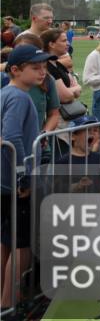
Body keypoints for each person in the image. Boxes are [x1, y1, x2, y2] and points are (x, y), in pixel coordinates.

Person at [2, 45, 53, 307]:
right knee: (22, 244)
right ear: (15, 70)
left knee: (5, 241)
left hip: (5, 180)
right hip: (15, 182)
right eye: (35, 67)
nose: (42, 72)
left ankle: (4, 300)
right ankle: (9, 304)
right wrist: (24, 175)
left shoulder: (5, 93)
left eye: (43, 66)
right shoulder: (19, 98)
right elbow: (11, 136)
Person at [41, 27, 83, 106]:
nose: (68, 43)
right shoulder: (47, 66)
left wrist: (70, 90)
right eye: (64, 41)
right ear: (51, 44)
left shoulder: (58, 64)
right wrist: (76, 88)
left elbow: (77, 93)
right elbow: (65, 97)